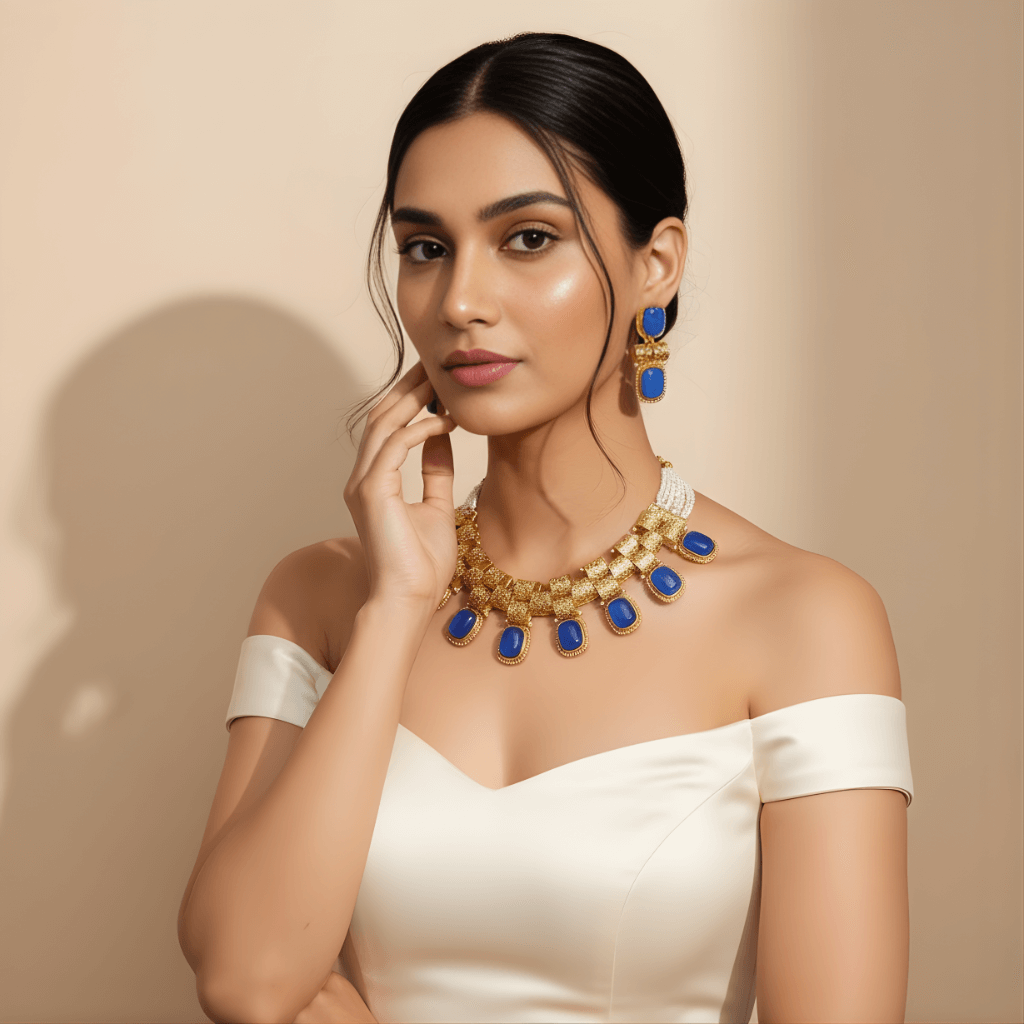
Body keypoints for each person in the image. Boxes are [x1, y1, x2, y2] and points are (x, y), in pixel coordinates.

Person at [177, 33, 913, 1024]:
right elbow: (245, 982)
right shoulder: (322, 598)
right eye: (426, 248)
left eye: (527, 238)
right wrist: (395, 610)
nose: (460, 301)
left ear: (656, 264)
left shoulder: (806, 618)